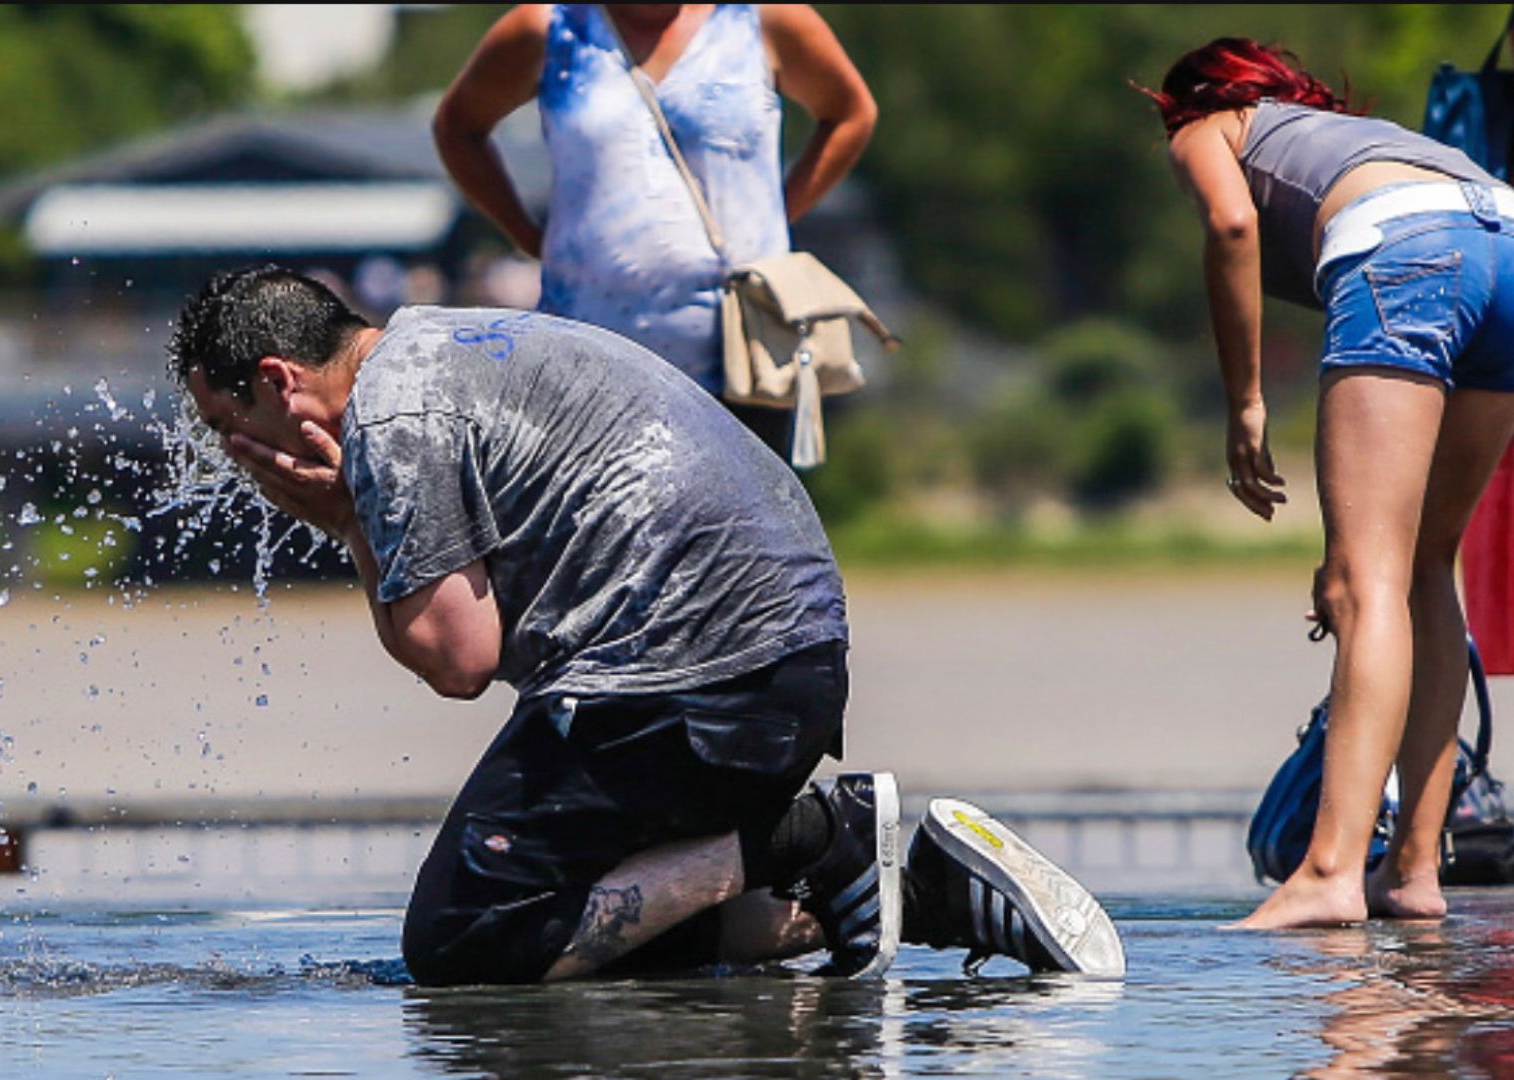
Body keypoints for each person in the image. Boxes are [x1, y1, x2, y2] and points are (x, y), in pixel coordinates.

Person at [166, 265, 1125, 984]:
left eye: (228, 426)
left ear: (280, 381)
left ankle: (821, 836)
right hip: (777, 668)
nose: (235, 455)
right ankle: (916, 898)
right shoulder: (441, 342)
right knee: (594, 919)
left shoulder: (392, 417)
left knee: (464, 943)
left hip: (693, 684)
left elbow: (458, 658)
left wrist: (343, 523)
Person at [1140, 38, 1514, 930]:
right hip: (1506, 238)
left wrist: (1245, 404)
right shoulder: (1351, 138)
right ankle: (1414, 870)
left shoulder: (1205, 122)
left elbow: (1230, 227)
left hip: (1409, 251)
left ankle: (1330, 872)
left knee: (1368, 584)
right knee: (1424, 567)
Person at [431, 3, 877, 460]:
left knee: (740, 522)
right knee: (599, 527)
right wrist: (525, 233)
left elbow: (849, 112)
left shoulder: (762, 19)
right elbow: (458, 127)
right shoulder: (552, 29)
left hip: (743, 362)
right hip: (591, 367)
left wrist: (777, 216)